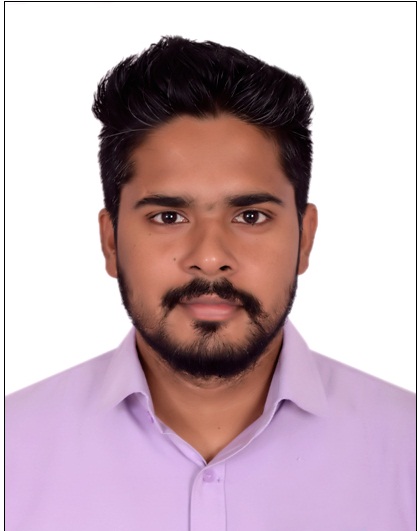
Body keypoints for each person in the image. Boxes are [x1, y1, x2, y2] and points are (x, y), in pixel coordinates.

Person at [6, 36, 415, 531]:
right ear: (110, 241)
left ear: (305, 238)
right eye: (169, 216)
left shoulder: (406, 447)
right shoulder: (13, 451)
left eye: (250, 215)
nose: (210, 258)